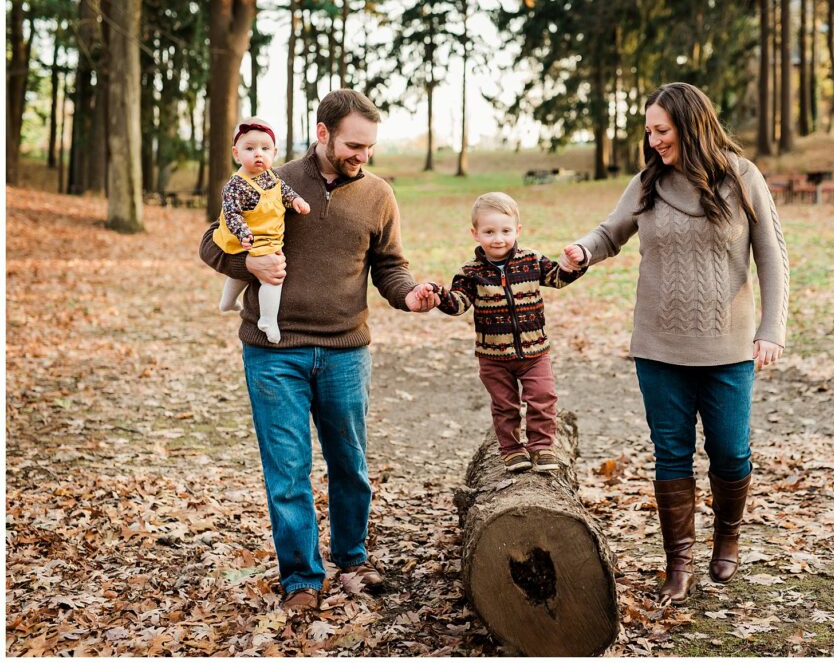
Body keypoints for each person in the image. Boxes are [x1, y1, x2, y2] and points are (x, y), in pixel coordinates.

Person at [199, 89, 441, 613]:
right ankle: (302, 579)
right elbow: (212, 243)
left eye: (370, 147)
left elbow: (389, 266)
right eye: (353, 144)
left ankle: (352, 560)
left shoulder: (379, 195)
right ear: (323, 133)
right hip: (273, 350)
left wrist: (410, 295)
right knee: (287, 469)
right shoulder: (271, 178)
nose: (362, 155)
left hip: (345, 352)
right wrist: (251, 267)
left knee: (349, 463)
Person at [558, 82, 789, 605]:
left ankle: (727, 537)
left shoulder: (741, 176)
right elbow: (609, 233)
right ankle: (678, 562)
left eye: (661, 130)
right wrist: (581, 251)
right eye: (649, 130)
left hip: (728, 348)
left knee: (730, 452)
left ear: (690, 125)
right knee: (671, 454)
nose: (653, 139)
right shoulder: (648, 182)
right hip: (659, 346)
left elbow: (772, 255)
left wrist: (771, 328)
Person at [435, 192, 587, 473]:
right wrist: (438, 296)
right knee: (505, 406)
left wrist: (572, 265)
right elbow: (458, 304)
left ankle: (541, 447)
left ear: (517, 230)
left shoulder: (531, 261)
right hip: (494, 356)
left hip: (534, 352)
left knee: (543, 397)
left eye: (506, 231)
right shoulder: (470, 272)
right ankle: (512, 450)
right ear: (475, 233)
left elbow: (556, 278)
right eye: (489, 232)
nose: (498, 239)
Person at [213, 117, 311, 344]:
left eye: (265, 149)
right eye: (250, 148)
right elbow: (231, 213)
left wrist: (296, 200)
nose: (258, 154)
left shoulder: (271, 177)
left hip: (268, 235)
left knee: (245, 275)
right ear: (236, 154)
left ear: (274, 153)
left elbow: (284, 191)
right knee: (273, 275)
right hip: (247, 236)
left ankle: (227, 302)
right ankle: (268, 319)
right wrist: (243, 233)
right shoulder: (236, 185)